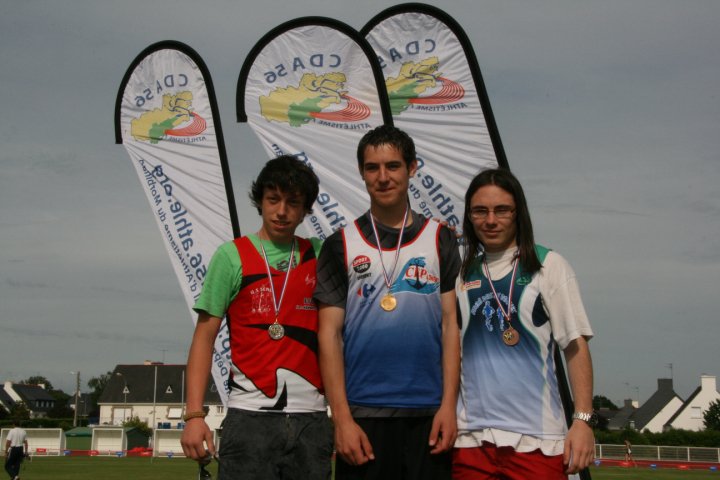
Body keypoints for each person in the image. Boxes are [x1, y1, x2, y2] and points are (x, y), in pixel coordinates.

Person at [315, 124, 461, 480]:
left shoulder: (440, 239)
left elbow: (450, 326)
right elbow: (329, 335)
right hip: (364, 417)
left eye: (393, 166)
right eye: (372, 168)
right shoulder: (340, 244)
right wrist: (342, 419)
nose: (382, 177)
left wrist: (449, 406)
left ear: (411, 168)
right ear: (362, 172)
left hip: (429, 415)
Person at [180, 155, 333, 480]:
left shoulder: (322, 254)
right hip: (249, 420)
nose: (281, 211)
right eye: (273, 199)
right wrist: (194, 415)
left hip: (311, 420)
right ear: (260, 201)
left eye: (293, 203)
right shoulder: (231, 256)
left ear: (305, 210)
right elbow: (204, 338)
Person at [453, 168, 595, 479]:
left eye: (502, 210)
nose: (491, 220)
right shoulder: (461, 274)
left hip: (537, 441)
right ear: (469, 216)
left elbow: (575, 346)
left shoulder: (548, 265)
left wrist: (583, 420)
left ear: (518, 213)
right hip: (471, 440)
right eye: (480, 211)